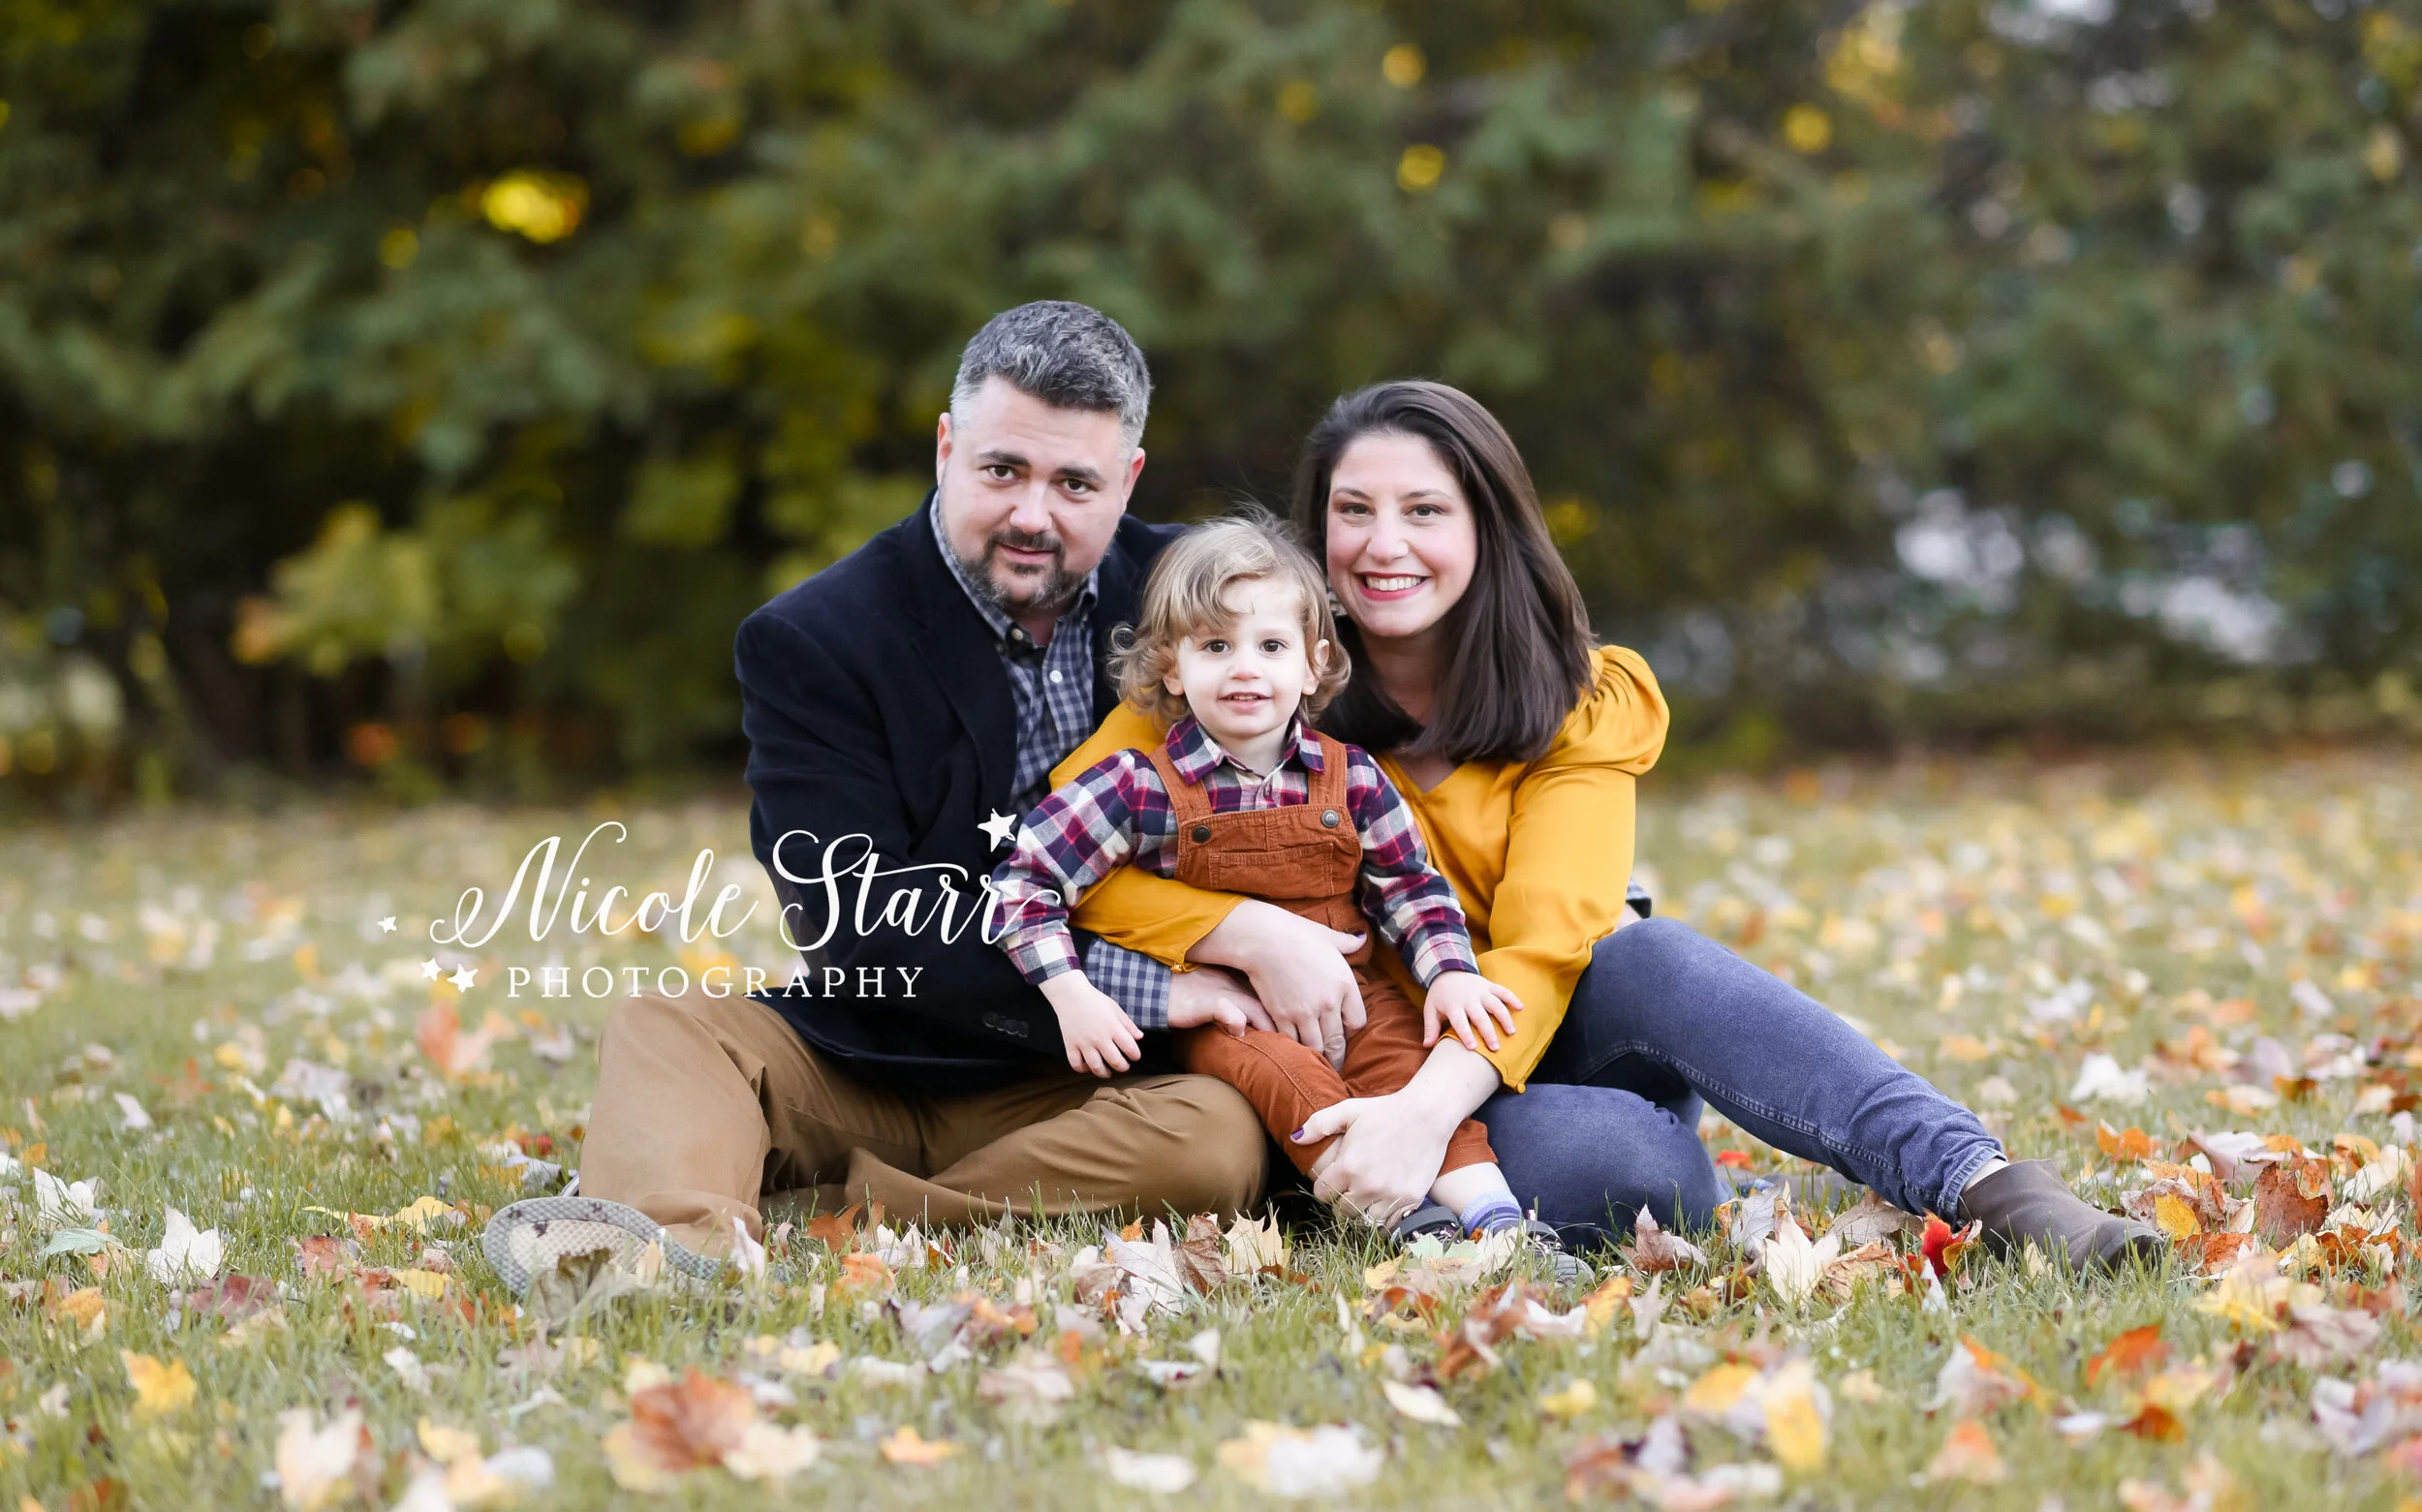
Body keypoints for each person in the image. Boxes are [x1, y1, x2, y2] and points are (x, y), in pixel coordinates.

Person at [1054, 380, 2163, 1269]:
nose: (1384, 544)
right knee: (1637, 1174)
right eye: (1354, 511)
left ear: (1487, 526)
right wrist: (1247, 933)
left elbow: (1548, 947)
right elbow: (1067, 849)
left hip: (1524, 1039)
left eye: (1425, 510)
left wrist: (1425, 1113)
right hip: (1343, 1058)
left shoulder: (1579, 701)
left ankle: (1991, 1188)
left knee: (1650, 950)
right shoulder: (1227, 682)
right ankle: (1394, 1180)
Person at [484, 301, 1278, 1281]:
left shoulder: (1206, 601)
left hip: (1097, 1086)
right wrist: (1149, 984)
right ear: (946, 448)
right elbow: (858, 924)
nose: (1033, 515)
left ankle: (837, 1211)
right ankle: (663, 1258)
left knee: (1218, 1139)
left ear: (1129, 479)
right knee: (667, 1028)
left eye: (1074, 483)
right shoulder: (818, 639)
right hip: (876, 1057)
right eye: (1002, 470)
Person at [987, 514, 1576, 1279]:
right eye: (1215, 646)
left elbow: (1411, 886)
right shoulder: (1137, 786)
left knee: (1408, 1067)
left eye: (1270, 646)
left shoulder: (1352, 776)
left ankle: (1498, 1220)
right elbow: (1025, 880)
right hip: (1233, 1012)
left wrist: (1451, 971)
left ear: (1311, 664)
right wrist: (1072, 993)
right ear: (1171, 667)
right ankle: (1399, 1216)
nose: (1244, 668)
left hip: (1354, 992)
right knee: (1286, 1077)